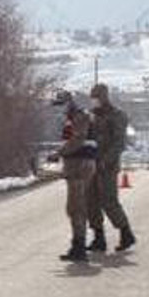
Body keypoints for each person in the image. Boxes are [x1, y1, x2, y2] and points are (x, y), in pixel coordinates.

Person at [48, 89, 98, 262]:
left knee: (76, 208)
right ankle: (78, 245)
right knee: (75, 207)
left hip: (80, 165)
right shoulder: (75, 118)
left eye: (60, 105)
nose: (58, 110)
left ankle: (79, 247)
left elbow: (77, 140)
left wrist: (59, 153)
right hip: (77, 164)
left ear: (68, 103)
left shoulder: (79, 117)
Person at [87, 83, 136, 253]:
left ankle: (126, 233)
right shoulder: (92, 115)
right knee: (91, 201)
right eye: (93, 98)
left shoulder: (117, 115)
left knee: (109, 201)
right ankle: (99, 238)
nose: (94, 101)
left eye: (96, 97)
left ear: (104, 97)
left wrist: (106, 160)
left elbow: (119, 143)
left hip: (107, 166)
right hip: (92, 164)